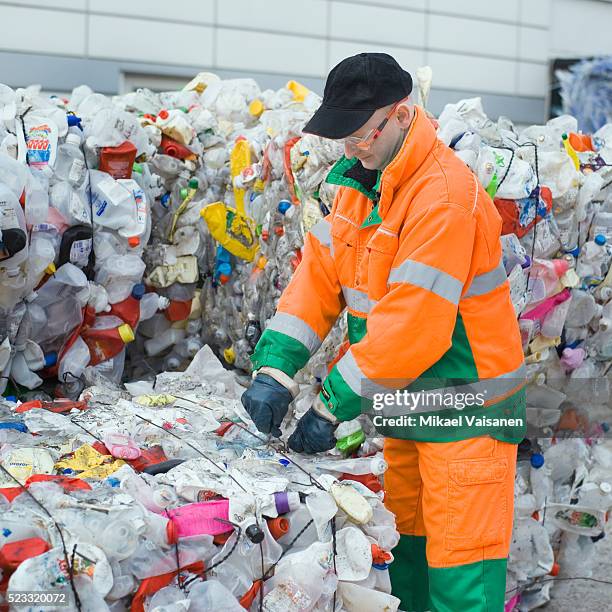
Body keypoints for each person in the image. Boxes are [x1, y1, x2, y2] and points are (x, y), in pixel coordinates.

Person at [241, 53, 526, 611]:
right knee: (408, 560)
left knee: (462, 578)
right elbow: (317, 279)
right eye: (343, 138)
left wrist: (329, 407)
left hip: (469, 412)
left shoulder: (444, 197)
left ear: (400, 115)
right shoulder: (358, 187)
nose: (352, 148)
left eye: (361, 135)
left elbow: (412, 327)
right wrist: (274, 368)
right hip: (410, 407)